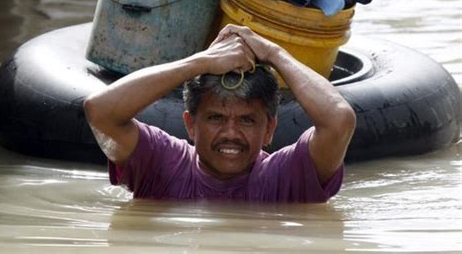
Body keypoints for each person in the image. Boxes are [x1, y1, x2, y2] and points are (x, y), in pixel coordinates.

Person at [83, 24, 356, 202]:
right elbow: (99, 111)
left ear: (270, 129)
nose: (230, 134)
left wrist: (273, 52)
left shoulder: (287, 177)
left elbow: (339, 120)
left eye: (247, 120)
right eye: (216, 118)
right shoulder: (161, 163)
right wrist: (200, 62)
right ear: (190, 125)